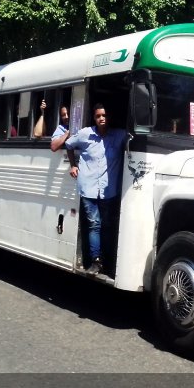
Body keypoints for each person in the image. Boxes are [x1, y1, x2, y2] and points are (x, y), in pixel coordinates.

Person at [64, 103, 126, 275]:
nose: (101, 119)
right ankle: (95, 261)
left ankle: (107, 260)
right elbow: (68, 145)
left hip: (109, 190)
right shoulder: (85, 134)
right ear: (94, 117)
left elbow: (137, 138)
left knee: (107, 225)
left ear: (109, 117)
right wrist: (73, 165)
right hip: (88, 188)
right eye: (98, 116)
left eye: (104, 116)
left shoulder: (119, 135)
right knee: (94, 225)